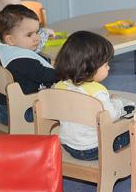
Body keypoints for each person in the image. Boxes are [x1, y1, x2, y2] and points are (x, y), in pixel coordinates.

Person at [52, 30, 130, 160]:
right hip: (94, 148)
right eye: (106, 65)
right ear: (89, 67)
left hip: (68, 144)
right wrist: (119, 104)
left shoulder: (59, 86)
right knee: (131, 131)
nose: (109, 68)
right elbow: (111, 116)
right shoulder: (97, 92)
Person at [0, 4, 58, 124]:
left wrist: (51, 62)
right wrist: (68, 72)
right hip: (18, 113)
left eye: (37, 32)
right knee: (64, 108)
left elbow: (35, 62)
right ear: (10, 39)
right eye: (29, 35)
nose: (37, 38)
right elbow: (48, 75)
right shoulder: (20, 60)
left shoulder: (8, 51)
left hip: (4, 108)